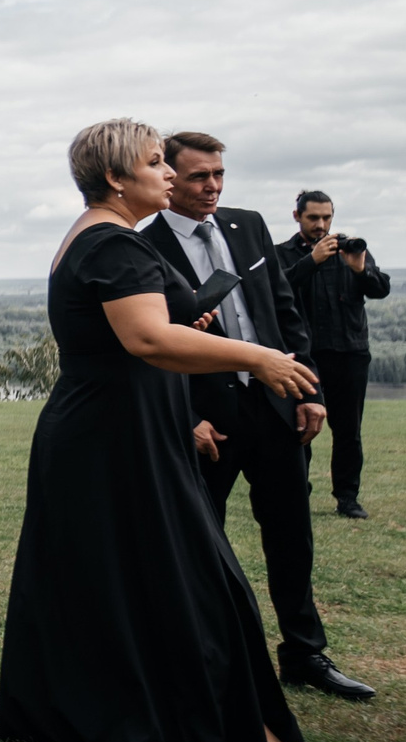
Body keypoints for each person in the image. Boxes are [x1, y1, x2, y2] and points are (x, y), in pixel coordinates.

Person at [0, 119, 316, 742]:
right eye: (155, 163)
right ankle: (226, 728)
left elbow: (136, 336)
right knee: (190, 575)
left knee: (109, 580)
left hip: (106, 428)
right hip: (119, 437)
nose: (170, 173)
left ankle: (82, 710)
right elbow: (147, 341)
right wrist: (257, 356)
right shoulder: (117, 244)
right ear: (117, 178)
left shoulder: (96, 236)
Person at [152, 135, 370, 702]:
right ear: (169, 179)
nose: (213, 187)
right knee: (205, 542)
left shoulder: (245, 226)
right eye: (200, 177)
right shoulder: (145, 244)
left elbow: (284, 311)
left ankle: (305, 654)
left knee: (291, 536)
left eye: (219, 174)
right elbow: (150, 344)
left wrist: (310, 388)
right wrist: (187, 416)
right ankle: (215, 660)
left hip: (276, 407)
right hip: (209, 423)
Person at [281, 191, 390, 521]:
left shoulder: (350, 250)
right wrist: (310, 261)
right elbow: (276, 290)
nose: (321, 224)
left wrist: (360, 269)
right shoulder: (282, 253)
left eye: (326, 217)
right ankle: (297, 492)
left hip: (350, 352)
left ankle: (347, 497)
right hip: (304, 355)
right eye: (313, 217)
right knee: (301, 427)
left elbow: (380, 288)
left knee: (348, 431)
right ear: (297, 216)